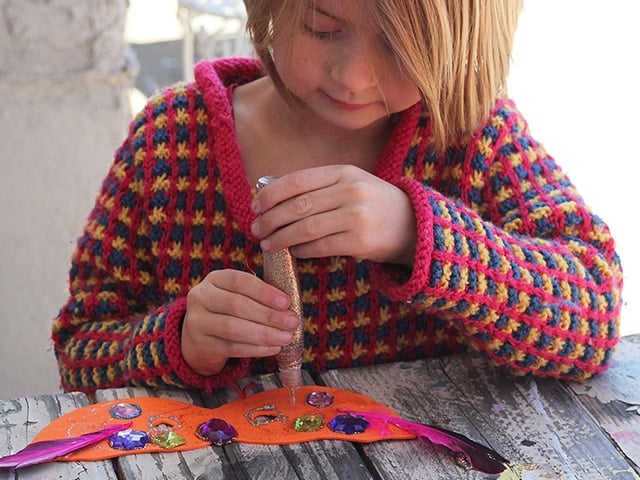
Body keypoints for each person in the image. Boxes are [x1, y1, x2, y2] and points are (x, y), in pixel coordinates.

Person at [52, 0, 622, 396]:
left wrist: (416, 234)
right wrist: (177, 340)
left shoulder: (470, 134)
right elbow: (79, 351)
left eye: (400, 47)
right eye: (323, 27)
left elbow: (592, 316)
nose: (353, 76)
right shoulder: (169, 141)